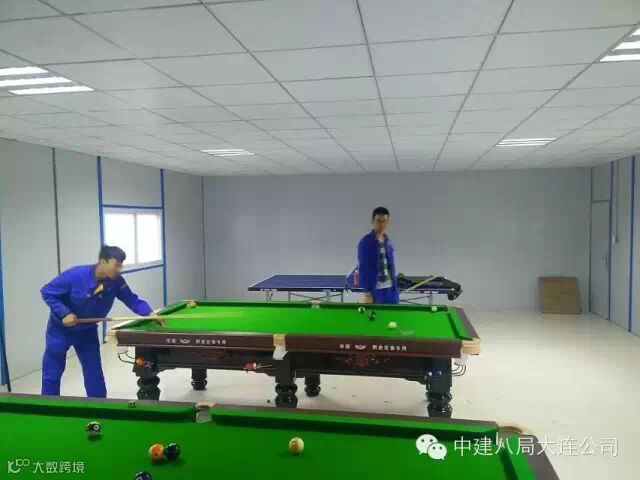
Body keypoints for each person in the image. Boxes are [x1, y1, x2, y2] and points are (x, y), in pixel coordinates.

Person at [40, 246, 153, 397]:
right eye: (116, 265)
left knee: (93, 372)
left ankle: (99, 405)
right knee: (53, 370)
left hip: (87, 331)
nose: (119, 269)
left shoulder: (116, 281)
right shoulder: (75, 275)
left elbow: (131, 299)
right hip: (60, 330)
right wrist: (64, 313)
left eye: (121, 265)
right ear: (103, 261)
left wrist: (149, 313)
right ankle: (48, 404)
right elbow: (47, 292)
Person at [357, 207, 399, 305]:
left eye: (384, 221)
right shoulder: (366, 241)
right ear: (373, 221)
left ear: (388, 222)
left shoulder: (388, 241)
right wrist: (367, 292)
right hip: (375, 290)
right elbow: (363, 267)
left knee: (393, 314)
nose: (382, 224)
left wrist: (395, 288)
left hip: (391, 289)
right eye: (379, 221)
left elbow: (391, 266)